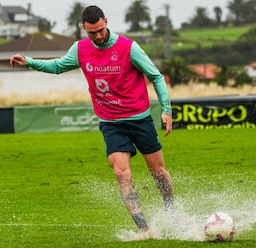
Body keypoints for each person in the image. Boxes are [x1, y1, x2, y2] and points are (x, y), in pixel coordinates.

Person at [10, 5, 173, 238]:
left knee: (157, 171)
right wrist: (30, 61)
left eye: (100, 30)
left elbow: (156, 76)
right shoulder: (80, 49)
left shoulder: (128, 47)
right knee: (121, 174)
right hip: (111, 123)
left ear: (106, 21)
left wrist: (166, 109)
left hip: (139, 119)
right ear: (83, 29)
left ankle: (171, 210)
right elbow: (57, 66)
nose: (97, 36)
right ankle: (144, 229)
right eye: (91, 33)